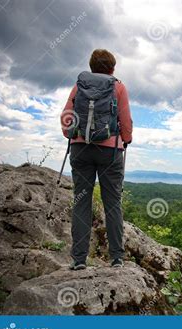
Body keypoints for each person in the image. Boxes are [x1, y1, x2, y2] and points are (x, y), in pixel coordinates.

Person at [60, 49, 133, 270]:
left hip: (80, 149)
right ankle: (117, 258)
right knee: (112, 203)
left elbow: (66, 116)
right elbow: (125, 120)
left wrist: (71, 135)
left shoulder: (79, 86)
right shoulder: (118, 87)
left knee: (82, 200)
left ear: (91, 67)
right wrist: (126, 139)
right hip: (110, 152)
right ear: (112, 68)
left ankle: (79, 259)